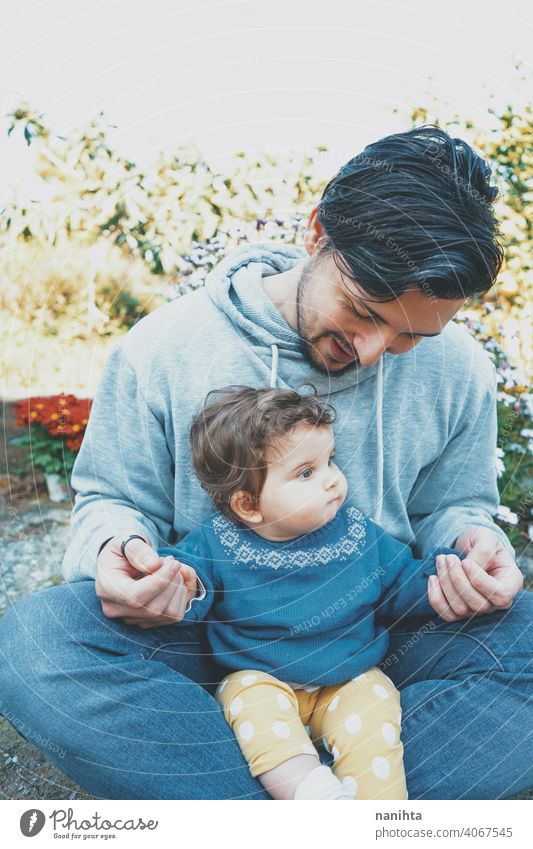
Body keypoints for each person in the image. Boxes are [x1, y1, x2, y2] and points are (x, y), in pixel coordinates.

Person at [0, 126, 530, 800]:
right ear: (316, 233)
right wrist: (117, 548)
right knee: (37, 643)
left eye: (409, 335)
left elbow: (456, 504)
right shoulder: (163, 348)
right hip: (215, 635)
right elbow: (109, 496)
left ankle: (289, 800)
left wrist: (475, 543)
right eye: (362, 312)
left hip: (388, 631)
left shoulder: (461, 370)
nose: (372, 352)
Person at [160, 385, 466, 801]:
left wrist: (447, 576)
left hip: (347, 678)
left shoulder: (358, 533)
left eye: (329, 462)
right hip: (260, 678)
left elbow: (401, 585)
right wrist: (174, 580)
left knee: (376, 708)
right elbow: (186, 585)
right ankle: (314, 795)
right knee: (250, 705)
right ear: (249, 505)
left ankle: (380, 814)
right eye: (306, 473)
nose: (332, 482)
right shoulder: (216, 544)